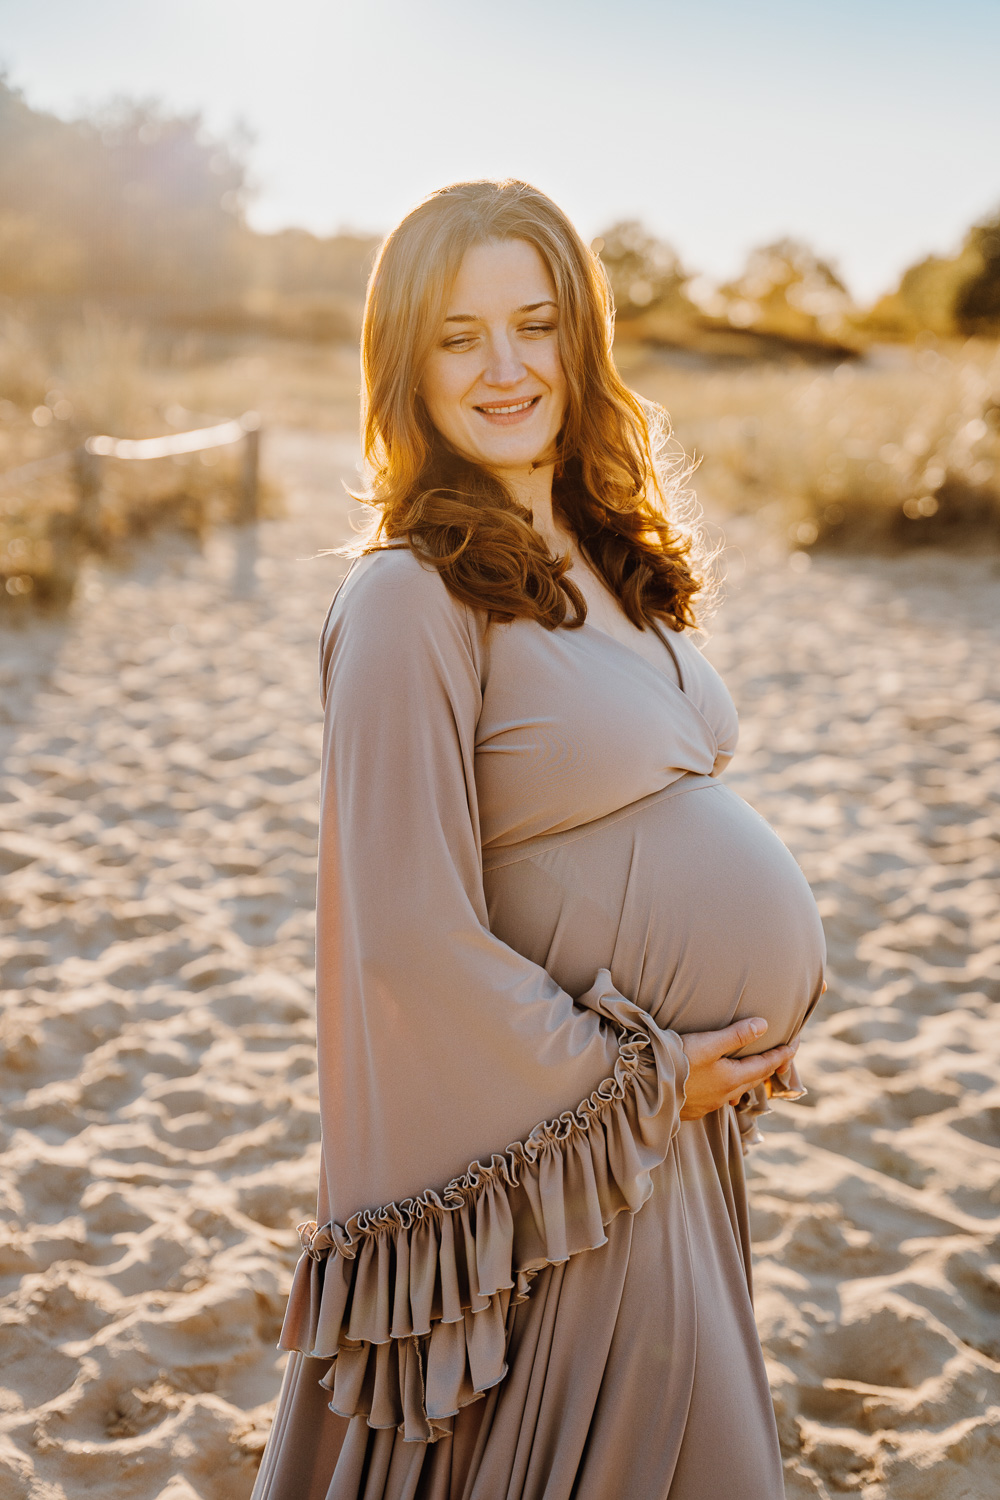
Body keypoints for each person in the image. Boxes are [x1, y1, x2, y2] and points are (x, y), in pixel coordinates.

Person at [251, 179, 825, 1500]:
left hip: (666, 1137)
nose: (505, 369)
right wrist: (640, 1086)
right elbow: (404, 936)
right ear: (406, 362)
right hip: (572, 1160)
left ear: (584, 340)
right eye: (458, 337)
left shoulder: (605, 558)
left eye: (535, 324)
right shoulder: (406, 598)